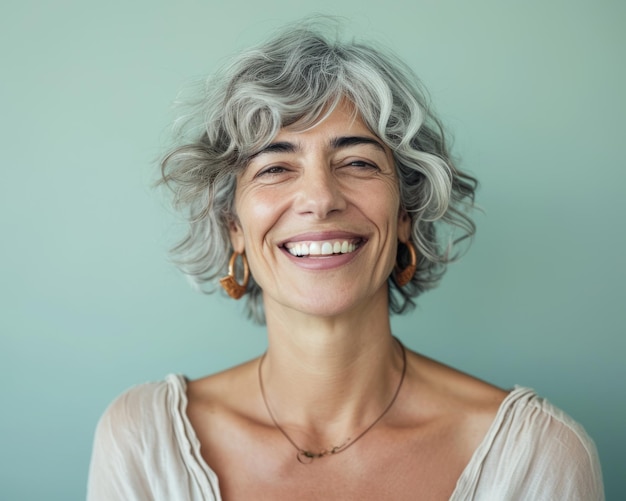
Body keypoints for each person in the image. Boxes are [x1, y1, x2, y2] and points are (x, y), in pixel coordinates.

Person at [87, 20, 604, 500]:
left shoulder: (538, 456)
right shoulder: (143, 442)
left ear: (406, 215)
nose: (320, 197)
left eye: (357, 162)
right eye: (274, 167)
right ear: (234, 228)